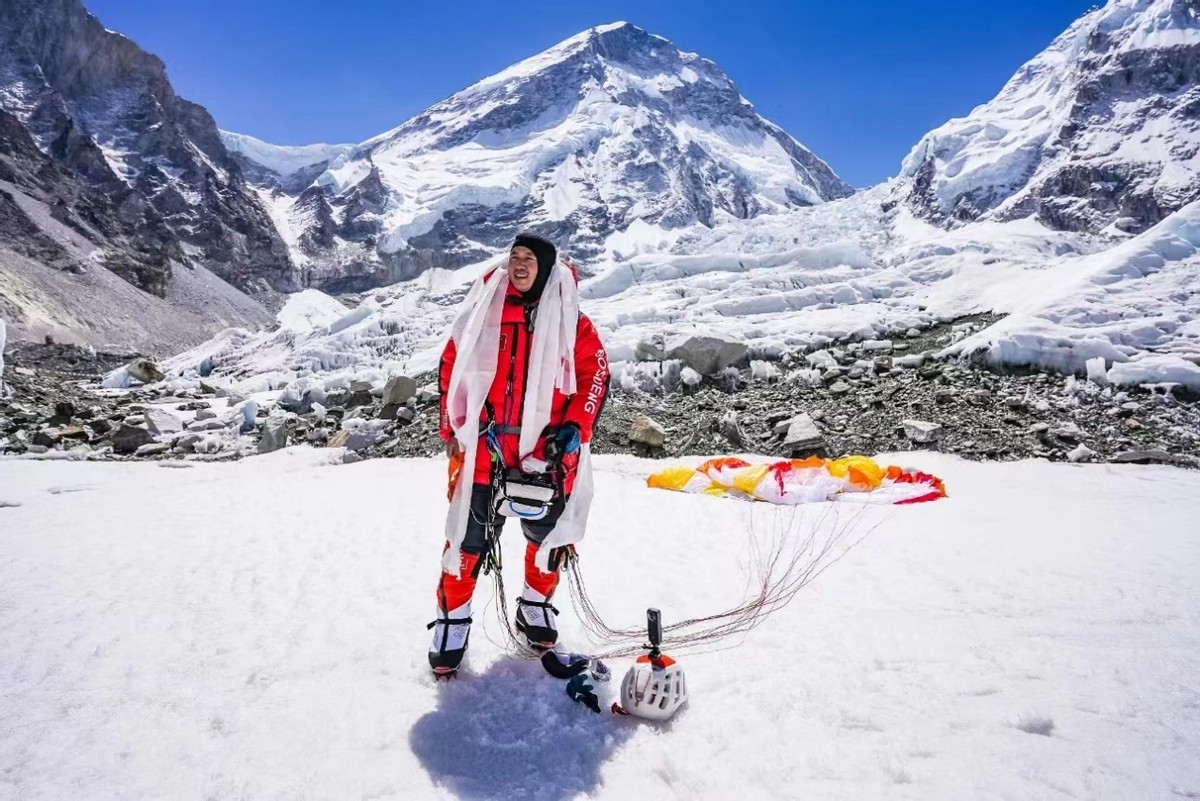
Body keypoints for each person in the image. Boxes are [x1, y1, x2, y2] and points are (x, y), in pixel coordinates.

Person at [429, 231, 609, 677]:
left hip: (545, 453)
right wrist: (452, 424)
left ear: (545, 267)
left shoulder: (572, 322)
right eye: (514, 257)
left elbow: (595, 375)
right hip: (485, 450)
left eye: (529, 258)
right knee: (467, 541)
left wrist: (574, 427)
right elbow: (452, 362)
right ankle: (452, 622)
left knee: (548, 540)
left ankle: (534, 607)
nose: (519, 265)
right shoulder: (484, 312)